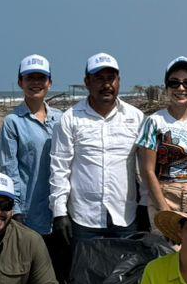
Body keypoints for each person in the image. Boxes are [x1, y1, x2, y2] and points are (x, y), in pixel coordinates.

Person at [49, 52, 146, 243]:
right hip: (84, 218)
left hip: (126, 216)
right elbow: (60, 168)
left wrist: (144, 204)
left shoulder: (136, 118)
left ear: (119, 81)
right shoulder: (70, 118)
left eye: (111, 78)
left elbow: (145, 167)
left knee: (127, 272)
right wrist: (59, 212)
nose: (106, 85)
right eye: (99, 79)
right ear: (87, 82)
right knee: (85, 273)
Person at [0, 54, 66, 276]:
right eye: (30, 78)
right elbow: (9, 169)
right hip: (29, 212)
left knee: (59, 271)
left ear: (49, 82)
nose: (35, 83)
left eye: (41, 78)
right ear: (21, 82)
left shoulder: (62, 118)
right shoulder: (12, 122)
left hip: (60, 209)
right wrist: (16, 210)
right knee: (30, 272)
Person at [136, 56, 187, 219]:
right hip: (165, 196)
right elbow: (147, 171)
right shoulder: (154, 122)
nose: (181, 88)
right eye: (174, 83)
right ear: (166, 88)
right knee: (166, 245)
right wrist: (164, 209)